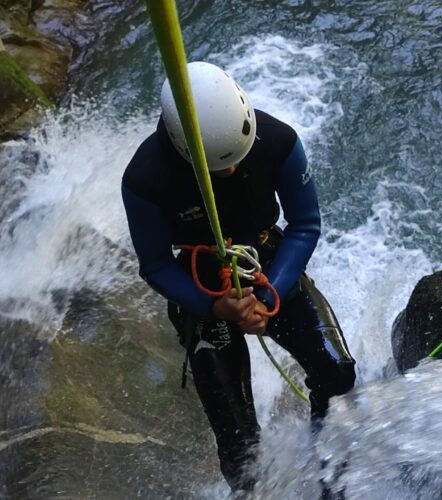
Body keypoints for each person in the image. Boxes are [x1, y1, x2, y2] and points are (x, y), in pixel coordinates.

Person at [121, 61, 356, 492]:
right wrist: (213, 305)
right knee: (238, 440)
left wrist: (271, 296)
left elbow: (305, 224)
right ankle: (251, 489)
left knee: (337, 374)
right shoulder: (146, 179)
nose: (230, 173)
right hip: (202, 279)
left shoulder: (278, 141)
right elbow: (155, 265)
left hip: (266, 261)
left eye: (236, 161)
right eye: (217, 167)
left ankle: (329, 465)